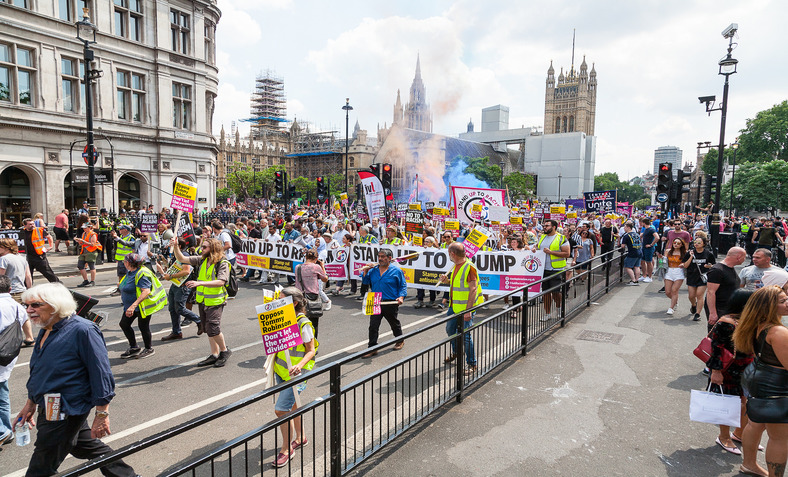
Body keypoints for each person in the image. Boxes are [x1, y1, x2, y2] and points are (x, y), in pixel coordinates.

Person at [15, 283, 138, 476]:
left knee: (42, 465)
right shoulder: (46, 327)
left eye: (36, 305)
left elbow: (101, 374)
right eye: (26, 305)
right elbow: (40, 371)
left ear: (55, 305)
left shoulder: (83, 330)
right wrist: (30, 403)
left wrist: (102, 414)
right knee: (84, 445)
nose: (29, 310)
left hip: (65, 407)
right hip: (50, 404)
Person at [733, 286, 788, 477]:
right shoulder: (778, 332)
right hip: (776, 387)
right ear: (768, 306)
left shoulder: (759, 324)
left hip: (758, 378)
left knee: (755, 424)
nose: (787, 302)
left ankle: (749, 464)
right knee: (780, 438)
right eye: (782, 301)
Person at [704, 290, 761, 468]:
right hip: (728, 369)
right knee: (728, 404)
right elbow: (716, 348)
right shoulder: (726, 322)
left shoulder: (748, 321)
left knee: (745, 403)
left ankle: (739, 433)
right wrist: (716, 371)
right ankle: (724, 436)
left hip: (746, 368)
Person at [269, 287, 318, 468]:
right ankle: (301, 437)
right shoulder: (282, 319)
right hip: (282, 371)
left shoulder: (303, 323)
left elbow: (311, 351)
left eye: (281, 300)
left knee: (281, 410)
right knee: (293, 405)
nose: (277, 302)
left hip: (295, 374)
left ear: (294, 303)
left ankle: (286, 449)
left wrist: (299, 366)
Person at [171, 237, 232, 367]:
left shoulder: (223, 262)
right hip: (203, 300)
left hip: (216, 300)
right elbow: (182, 259)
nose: (201, 249)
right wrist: (176, 246)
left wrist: (199, 283)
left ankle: (224, 351)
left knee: (213, 328)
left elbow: (221, 281)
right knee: (207, 328)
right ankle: (214, 354)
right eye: (202, 247)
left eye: (205, 247)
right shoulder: (203, 259)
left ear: (213, 249)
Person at [438, 242, 482, 375]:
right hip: (454, 306)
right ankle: (457, 352)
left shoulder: (469, 267)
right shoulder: (457, 265)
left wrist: (468, 310)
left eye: (448, 253)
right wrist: (447, 281)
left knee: (466, 336)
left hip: (465, 308)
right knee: (450, 329)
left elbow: (473, 289)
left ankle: (472, 363)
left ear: (452, 254)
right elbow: (458, 283)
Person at [359, 248, 407, 358]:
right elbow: (365, 282)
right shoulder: (373, 270)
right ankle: (372, 348)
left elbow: (402, 286)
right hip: (375, 300)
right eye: (379, 256)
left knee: (393, 323)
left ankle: (400, 340)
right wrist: (365, 271)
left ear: (389, 258)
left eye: (382, 257)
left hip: (390, 301)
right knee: (373, 326)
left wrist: (401, 297)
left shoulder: (396, 271)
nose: (380, 259)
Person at [117, 253, 167, 359]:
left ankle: (149, 348)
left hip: (140, 306)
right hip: (130, 306)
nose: (123, 262)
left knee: (143, 327)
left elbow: (146, 291)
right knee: (124, 324)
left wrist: (133, 306)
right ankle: (134, 347)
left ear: (129, 263)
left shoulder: (142, 273)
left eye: (125, 261)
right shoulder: (131, 272)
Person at [0, 275, 28, 445]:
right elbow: (25, 323)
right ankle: (5, 430)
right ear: (10, 289)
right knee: (2, 394)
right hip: (8, 355)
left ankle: (3, 430)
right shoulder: (17, 306)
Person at [157, 238, 201, 341]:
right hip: (175, 285)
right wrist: (163, 261)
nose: (169, 244)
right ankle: (176, 332)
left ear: (179, 246)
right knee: (172, 309)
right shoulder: (176, 255)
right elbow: (173, 268)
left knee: (180, 308)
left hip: (182, 286)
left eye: (171, 243)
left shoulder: (184, 255)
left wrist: (171, 276)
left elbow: (186, 271)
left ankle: (199, 320)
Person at [0, 238, 34, 344]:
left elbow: (1, 277)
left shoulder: (4, 259)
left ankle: (10, 341)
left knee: (8, 317)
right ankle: (29, 338)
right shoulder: (22, 258)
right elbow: (28, 276)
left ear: (6, 248)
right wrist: (30, 290)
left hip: (8, 292)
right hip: (22, 291)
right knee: (23, 315)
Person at [538, 219, 571, 321]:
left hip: (557, 269)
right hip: (543, 269)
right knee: (546, 293)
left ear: (554, 227)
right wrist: (535, 249)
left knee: (556, 292)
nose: (544, 227)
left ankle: (559, 308)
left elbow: (567, 253)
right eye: (544, 226)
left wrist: (551, 252)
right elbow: (539, 249)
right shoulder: (542, 237)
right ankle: (547, 313)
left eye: (547, 226)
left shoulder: (561, 238)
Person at [706, 247, 746, 329]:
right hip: (720, 308)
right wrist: (713, 313)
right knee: (718, 334)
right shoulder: (717, 270)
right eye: (744, 257)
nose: (744, 259)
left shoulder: (730, 268)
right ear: (738, 257)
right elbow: (710, 292)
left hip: (730, 308)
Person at [294, 249, 328, 337]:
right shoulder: (316, 267)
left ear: (305, 257)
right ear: (316, 259)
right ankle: (313, 345)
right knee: (313, 323)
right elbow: (325, 279)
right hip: (312, 296)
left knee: (301, 321)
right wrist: (322, 266)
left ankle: (303, 344)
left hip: (300, 296)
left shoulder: (298, 267)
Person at [682, 236, 716, 322]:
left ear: (704, 244)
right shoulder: (690, 253)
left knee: (699, 295)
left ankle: (698, 314)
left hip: (703, 277)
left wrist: (709, 266)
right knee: (691, 296)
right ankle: (694, 305)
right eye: (695, 242)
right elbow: (685, 265)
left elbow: (714, 265)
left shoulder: (708, 254)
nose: (696, 244)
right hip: (691, 276)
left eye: (699, 243)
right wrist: (691, 257)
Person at [22, 218, 59, 284]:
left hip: (39, 256)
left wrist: (51, 246)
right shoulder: (22, 232)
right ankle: (27, 288)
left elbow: (49, 237)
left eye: (33, 224)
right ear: (25, 225)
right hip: (27, 257)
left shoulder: (39, 230)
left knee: (48, 273)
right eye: (30, 224)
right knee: (28, 275)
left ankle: (58, 285)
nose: (32, 225)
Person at [663, 238, 687, 315]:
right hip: (669, 271)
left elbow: (687, 263)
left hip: (679, 272)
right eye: (674, 242)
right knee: (667, 292)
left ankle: (671, 307)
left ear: (681, 245)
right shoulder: (668, 251)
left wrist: (683, 264)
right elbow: (664, 262)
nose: (676, 244)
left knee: (674, 290)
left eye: (678, 243)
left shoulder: (684, 253)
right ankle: (675, 301)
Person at [74, 221, 101, 287]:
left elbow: (92, 244)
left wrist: (83, 241)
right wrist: (78, 241)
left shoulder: (93, 234)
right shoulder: (84, 233)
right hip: (84, 252)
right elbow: (83, 243)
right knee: (80, 265)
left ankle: (92, 281)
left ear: (90, 227)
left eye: (85, 228)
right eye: (83, 228)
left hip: (91, 252)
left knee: (91, 266)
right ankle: (85, 280)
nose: (84, 229)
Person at [639, 217, 659, 282]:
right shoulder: (646, 229)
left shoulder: (651, 229)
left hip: (649, 248)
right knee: (643, 261)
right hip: (644, 247)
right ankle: (644, 275)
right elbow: (641, 236)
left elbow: (657, 237)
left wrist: (651, 244)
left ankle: (650, 277)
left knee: (648, 262)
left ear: (644, 223)